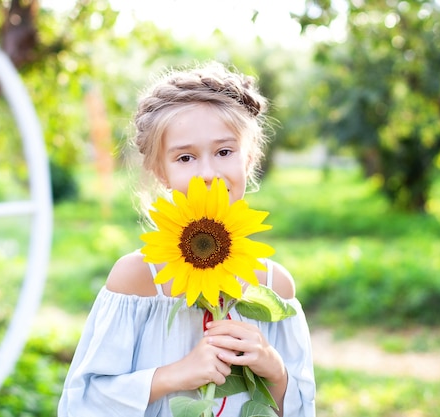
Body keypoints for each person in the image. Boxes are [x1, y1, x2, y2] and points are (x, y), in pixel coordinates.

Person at [58, 62, 316, 417]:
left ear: (250, 157)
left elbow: (301, 408)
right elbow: (84, 403)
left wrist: (274, 369)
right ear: (159, 170)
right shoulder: (139, 279)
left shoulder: (274, 287)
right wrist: (172, 376)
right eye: (185, 157)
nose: (208, 174)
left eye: (224, 152)